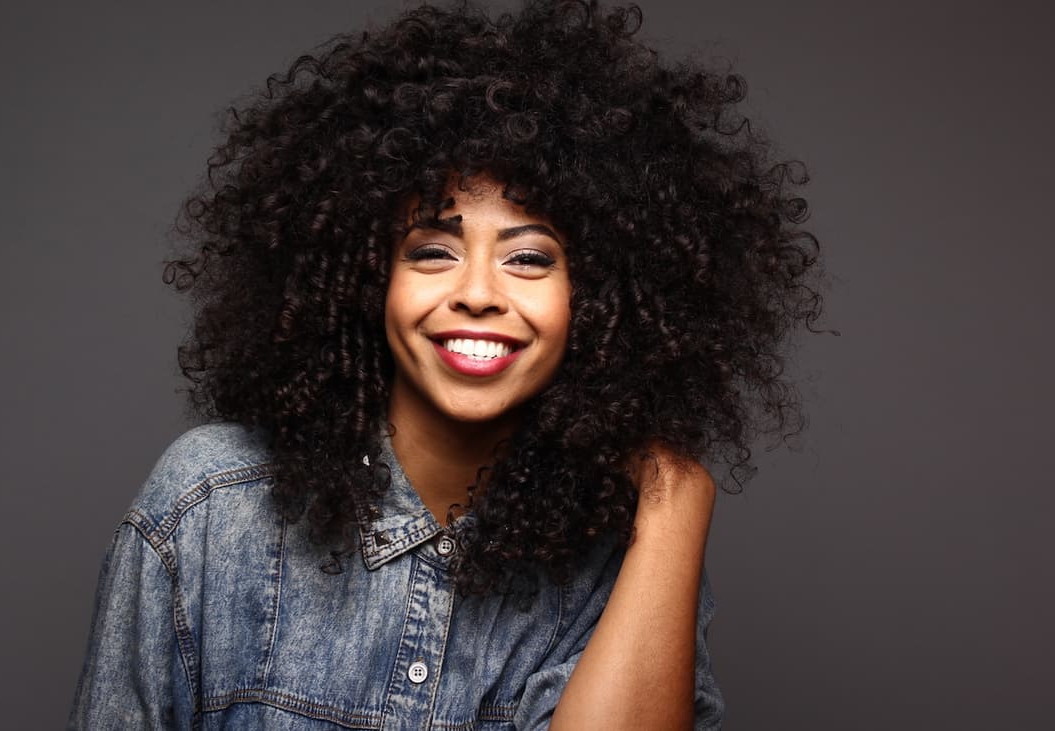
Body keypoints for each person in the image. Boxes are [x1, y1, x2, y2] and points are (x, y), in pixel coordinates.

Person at [69, 0, 826, 728]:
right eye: (433, 251)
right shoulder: (210, 505)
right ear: (365, 278)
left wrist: (673, 499)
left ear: (600, 302)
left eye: (529, 258)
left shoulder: (625, 549)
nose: (478, 293)